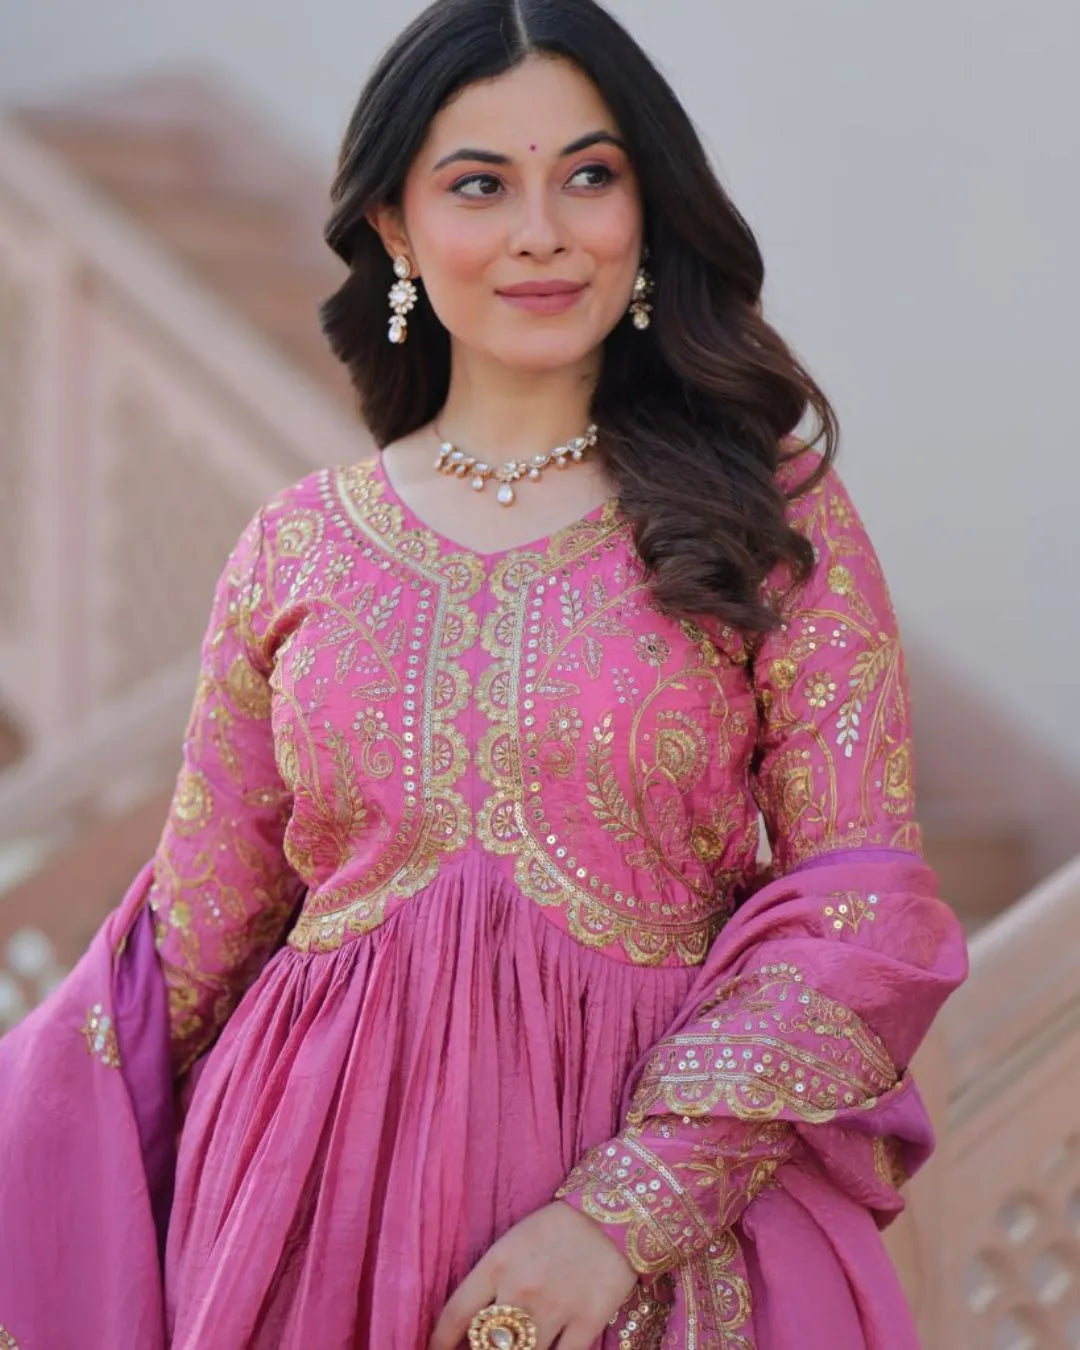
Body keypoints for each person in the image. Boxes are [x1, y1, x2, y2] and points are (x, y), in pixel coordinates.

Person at [0, 0, 967, 1346]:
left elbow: (869, 914)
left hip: (655, 1247)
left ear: (646, 209)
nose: (540, 230)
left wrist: (619, 1213)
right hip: (300, 1219)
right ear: (395, 227)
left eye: (589, 174)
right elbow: (188, 950)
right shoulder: (296, 548)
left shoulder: (769, 510)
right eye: (478, 185)